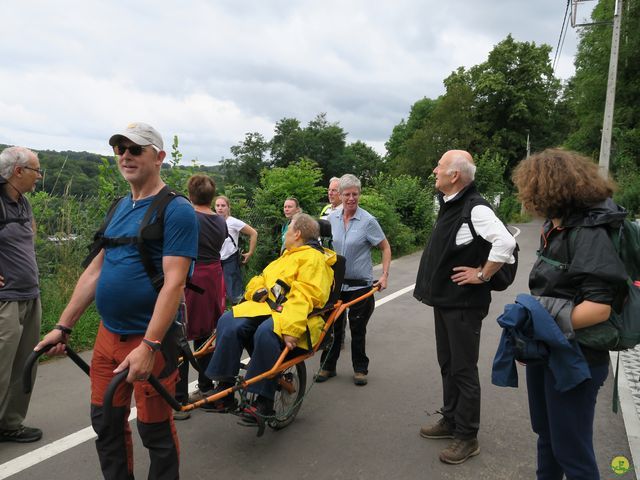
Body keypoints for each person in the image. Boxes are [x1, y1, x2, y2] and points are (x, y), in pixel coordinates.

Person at [36, 122, 198, 480]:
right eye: (119, 149)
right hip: (108, 338)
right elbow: (94, 272)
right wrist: (63, 326)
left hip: (148, 340)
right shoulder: (118, 207)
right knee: (106, 424)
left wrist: (150, 345)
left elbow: (174, 283)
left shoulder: (176, 210)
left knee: (154, 431)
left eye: (135, 149)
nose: (125, 155)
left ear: (159, 157)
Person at [512, 148, 627, 479]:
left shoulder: (588, 232)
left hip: (577, 358)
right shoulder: (557, 226)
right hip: (552, 350)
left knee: (572, 451)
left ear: (547, 189)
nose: (526, 196)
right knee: (547, 438)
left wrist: (537, 328)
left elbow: (599, 308)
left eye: (529, 188)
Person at [413, 150, 516, 465]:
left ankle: (467, 436)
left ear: (454, 175)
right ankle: (452, 420)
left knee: (463, 369)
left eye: (440, 166)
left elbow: (505, 243)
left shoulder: (476, 208)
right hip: (446, 302)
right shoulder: (451, 204)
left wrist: (482, 274)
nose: (435, 170)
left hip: (463, 305)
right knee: (448, 364)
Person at [204, 213, 336, 419]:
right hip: (267, 307)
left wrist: (292, 328)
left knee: (267, 332)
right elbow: (262, 278)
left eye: (288, 229)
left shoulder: (313, 259)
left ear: (298, 234)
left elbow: (306, 296)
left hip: (296, 313)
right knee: (228, 321)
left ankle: (263, 402)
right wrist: (255, 290)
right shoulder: (287, 256)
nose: (285, 234)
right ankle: (224, 390)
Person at [316, 173, 391, 386]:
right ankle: (328, 367)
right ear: (339, 195)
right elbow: (322, 248)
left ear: (359, 195)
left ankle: (360, 369)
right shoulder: (330, 219)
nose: (351, 199)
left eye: (355, 194)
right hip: (336, 284)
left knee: (358, 328)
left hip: (361, 285)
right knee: (333, 327)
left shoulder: (368, 221)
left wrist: (384, 275)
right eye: (347, 194)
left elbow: (385, 247)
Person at [174, 175, 227, 420]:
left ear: (190, 194)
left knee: (181, 338)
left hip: (193, 277)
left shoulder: (189, 217)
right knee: (206, 334)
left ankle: (179, 397)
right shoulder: (220, 221)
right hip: (214, 277)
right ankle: (206, 385)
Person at [0, 146, 43, 443]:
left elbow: (29, 238)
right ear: (18, 171)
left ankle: (10, 424)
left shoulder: (23, 202)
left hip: (30, 294)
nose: (39, 177)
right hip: (6, 300)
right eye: (36, 171)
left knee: (24, 364)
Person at [215, 195, 258, 305]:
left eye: (223, 205)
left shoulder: (233, 222)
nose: (220, 208)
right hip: (215, 259)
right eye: (217, 205)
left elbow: (253, 233)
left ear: (228, 207)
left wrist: (250, 252)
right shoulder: (212, 220)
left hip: (230, 259)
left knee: (235, 292)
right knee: (214, 289)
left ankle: (240, 312)